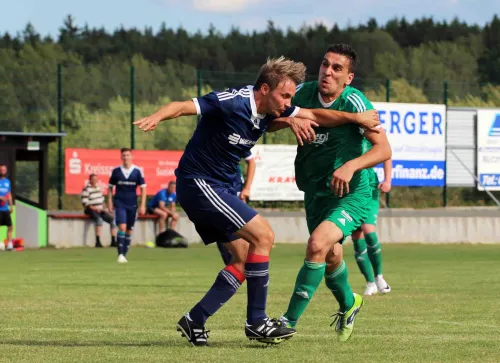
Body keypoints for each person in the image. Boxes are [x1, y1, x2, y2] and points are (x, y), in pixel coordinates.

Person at [134, 56, 381, 347]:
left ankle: (195, 319)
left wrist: (354, 118)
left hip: (219, 186)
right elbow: (182, 106)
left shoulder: (275, 108)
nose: (289, 103)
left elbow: (315, 115)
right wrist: (156, 117)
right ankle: (257, 322)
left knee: (241, 260)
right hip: (199, 183)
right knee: (264, 236)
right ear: (265, 89)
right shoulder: (232, 101)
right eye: (285, 96)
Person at [274, 44, 392, 342]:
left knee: (316, 244)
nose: (328, 71)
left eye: (337, 68)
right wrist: (289, 118)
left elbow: (384, 149)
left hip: (350, 192)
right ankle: (350, 303)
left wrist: (351, 166)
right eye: (325, 64)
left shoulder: (355, 102)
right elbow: (269, 120)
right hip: (316, 192)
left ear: (348, 78)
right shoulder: (302, 94)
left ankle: (286, 322)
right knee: (330, 257)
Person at [351, 159, 392, 295]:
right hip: (350, 186)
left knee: (369, 231)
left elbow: (387, 155)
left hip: (369, 185)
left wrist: (387, 180)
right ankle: (370, 283)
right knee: (357, 236)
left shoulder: (370, 137)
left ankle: (379, 276)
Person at [216, 149, 256, 265]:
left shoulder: (237, 139)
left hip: (237, 192)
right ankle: (233, 262)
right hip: (218, 191)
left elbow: (251, 162)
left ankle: (245, 262)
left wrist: (247, 188)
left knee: (244, 227)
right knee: (219, 229)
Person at [107, 148, 147, 264]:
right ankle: (120, 254)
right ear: (121, 157)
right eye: (123, 155)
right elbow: (110, 187)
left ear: (131, 156)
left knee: (129, 230)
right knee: (122, 227)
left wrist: (142, 205)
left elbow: (143, 188)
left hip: (132, 204)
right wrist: (110, 201)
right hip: (119, 203)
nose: (125, 157)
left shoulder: (137, 171)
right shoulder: (116, 171)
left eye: (127, 155)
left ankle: (124, 254)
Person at [81, 174, 117, 248]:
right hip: (90, 209)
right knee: (99, 220)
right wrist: (95, 208)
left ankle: (113, 241)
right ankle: (98, 241)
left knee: (112, 219)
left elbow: (102, 201)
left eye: (96, 179)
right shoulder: (86, 189)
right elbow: (85, 203)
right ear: (90, 180)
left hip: (100, 209)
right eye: (93, 179)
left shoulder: (98, 188)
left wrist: (105, 208)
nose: (94, 181)